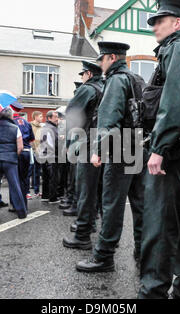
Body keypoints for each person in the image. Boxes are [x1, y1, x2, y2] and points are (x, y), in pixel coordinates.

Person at [137, 0, 180, 299]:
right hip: (177, 146)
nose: (154, 25)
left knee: (160, 221)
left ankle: (152, 292)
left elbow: (176, 101)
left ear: (177, 23)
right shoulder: (177, 50)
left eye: (159, 20)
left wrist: (160, 147)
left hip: (172, 147)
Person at [76, 42, 147, 273]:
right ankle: (143, 253)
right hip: (137, 144)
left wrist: (98, 150)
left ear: (112, 58)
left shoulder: (116, 80)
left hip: (119, 146)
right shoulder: (137, 79)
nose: (100, 64)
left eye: (102, 59)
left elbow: (108, 119)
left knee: (112, 204)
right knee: (140, 204)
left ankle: (104, 256)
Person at [62, 60, 104, 250]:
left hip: (87, 143)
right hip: (106, 143)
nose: (82, 78)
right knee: (101, 191)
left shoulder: (88, 89)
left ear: (88, 74)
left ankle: (83, 234)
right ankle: (99, 230)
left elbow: (72, 114)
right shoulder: (106, 86)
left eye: (82, 75)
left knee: (85, 189)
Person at [0, 107, 27, 221]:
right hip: (10, 160)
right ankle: (21, 212)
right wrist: (14, 155)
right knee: (15, 186)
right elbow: (20, 147)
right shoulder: (15, 128)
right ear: (10, 116)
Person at [11, 106, 35, 211]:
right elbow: (31, 139)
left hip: (16, 152)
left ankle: (14, 204)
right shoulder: (27, 123)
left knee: (14, 179)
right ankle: (24, 204)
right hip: (26, 152)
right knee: (25, 179)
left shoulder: (11, 123)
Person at [39, 111, 60, 204]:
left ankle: (45, 196)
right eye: (55, 117)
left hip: (44, 155)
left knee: (46, 177)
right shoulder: (52, 128)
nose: (57, 118)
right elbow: (55, 143)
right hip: (51, 155)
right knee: (53, 177)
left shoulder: (44, 127)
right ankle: (53, 198)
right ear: (49, 118)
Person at [30, 111, 43, 198]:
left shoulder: (41, 127)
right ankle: (28, 191)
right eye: (41, 116)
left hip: (40, 152)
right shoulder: (30, 126)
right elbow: (31, 140)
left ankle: (37, 191)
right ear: (35, 117)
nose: (42, 118)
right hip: (32, 151)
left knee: (37, 172)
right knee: (30, 171)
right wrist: (34, 150)